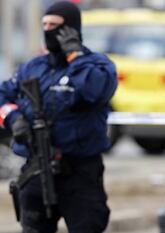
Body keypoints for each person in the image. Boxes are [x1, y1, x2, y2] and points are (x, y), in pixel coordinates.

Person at [0, 1, 117, 232]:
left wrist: (75, 56)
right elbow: (2, 97)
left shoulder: (96, 66)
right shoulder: (32, 68)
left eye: (55, 25)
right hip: (36, 168)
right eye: (44, 24)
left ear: (72, 29)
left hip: (79, 173)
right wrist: (14, 119)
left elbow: (95, 90)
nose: (48, 30)